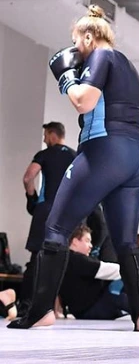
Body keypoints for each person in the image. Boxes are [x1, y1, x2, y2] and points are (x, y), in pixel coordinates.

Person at [8, 5, 139, 331]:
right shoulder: (128, 66)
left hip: (105, 149)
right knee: (127, 241)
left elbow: (84, 101)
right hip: (137, 154)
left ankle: (41, 311)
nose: (76, 51)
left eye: (77, 43)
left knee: (56, 229)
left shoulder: (101, 57)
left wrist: (65, 76)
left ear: (89, 36)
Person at [20, 122, 76, 315]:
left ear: (53, 135)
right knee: (59, 257)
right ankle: (54, 307)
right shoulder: (75, 156)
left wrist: (32, 199)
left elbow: (28, 177)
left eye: (45, 135)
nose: (44, 139)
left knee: (37, 257)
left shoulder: (44, 154)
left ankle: (27, 306)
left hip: (46, 210)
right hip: (67, 212)